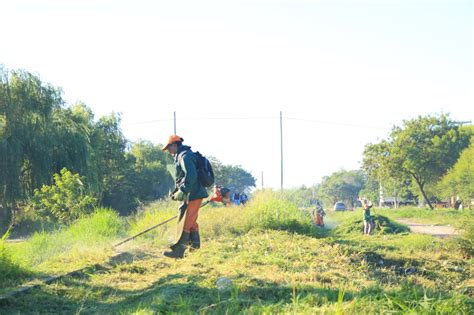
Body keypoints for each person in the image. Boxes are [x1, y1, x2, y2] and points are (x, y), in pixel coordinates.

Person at [162, 135, 209, 258]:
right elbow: (182, 177)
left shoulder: (184, 156)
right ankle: (194, 249)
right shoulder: (183, 155)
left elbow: (191, 175)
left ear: (174, 145)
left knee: (185, 223)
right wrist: (176, 191)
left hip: (192, 194)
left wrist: (182, 190)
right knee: (191, 222)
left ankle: (179, 252)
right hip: (192, 193)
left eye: (169, 148)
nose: (168, 151)